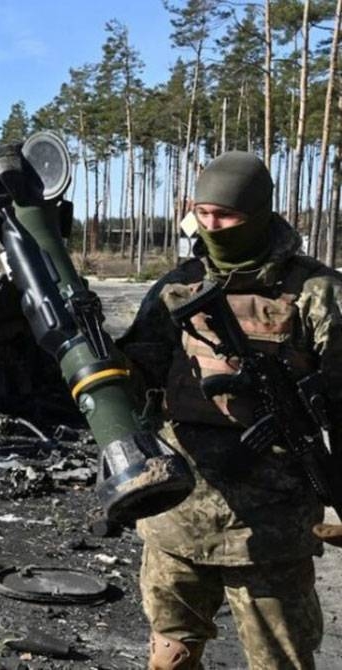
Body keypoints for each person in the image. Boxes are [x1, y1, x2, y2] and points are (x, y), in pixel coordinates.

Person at [117, 150, 342, 669]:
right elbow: (136, 377)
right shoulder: (177, 287)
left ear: (259, 214)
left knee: (279, 661)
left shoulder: (316, 292)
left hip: (271, 531)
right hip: (178, 513)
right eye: (204, 213)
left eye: (228, 216)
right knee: (170, 652)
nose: (212, 226)